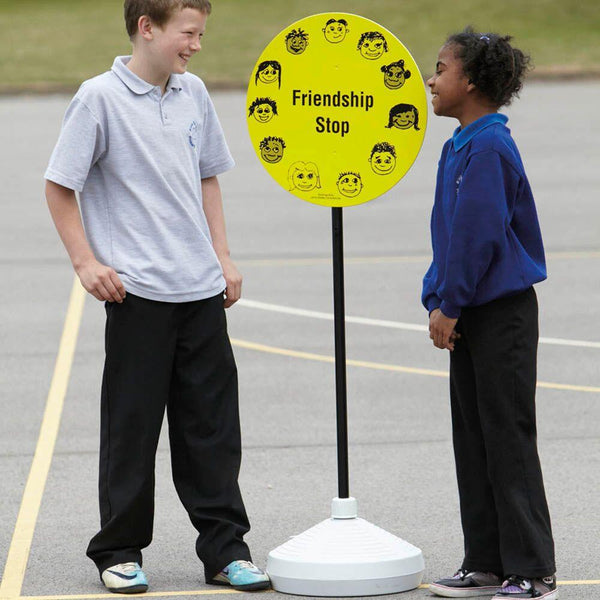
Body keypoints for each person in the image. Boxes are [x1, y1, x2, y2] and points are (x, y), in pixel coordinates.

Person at [44, 0, 270, 593]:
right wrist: (85, 261)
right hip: (137, 295)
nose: (196, 45)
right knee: (132, 430)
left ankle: (226, 552)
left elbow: (207, 176)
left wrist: (223, 255)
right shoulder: (98, 98)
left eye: (200, 33)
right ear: (148, 28)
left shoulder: (193, 93)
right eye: (188, 33)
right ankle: (118, 550)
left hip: (200, 291)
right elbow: (59, 185)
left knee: (213, 433)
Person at [421, 27, 557, 600]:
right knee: (473, 438)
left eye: (441, 69)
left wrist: (450, 304)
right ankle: (486, 563)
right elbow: (446, 236)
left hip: (497, 313)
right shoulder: (460, 143)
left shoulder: (489, 146)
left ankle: (533, 570)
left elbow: (478, 239)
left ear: (470, 81)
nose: (431, 79)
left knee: (507, 439)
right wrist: (436, 296)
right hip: (467, 310)